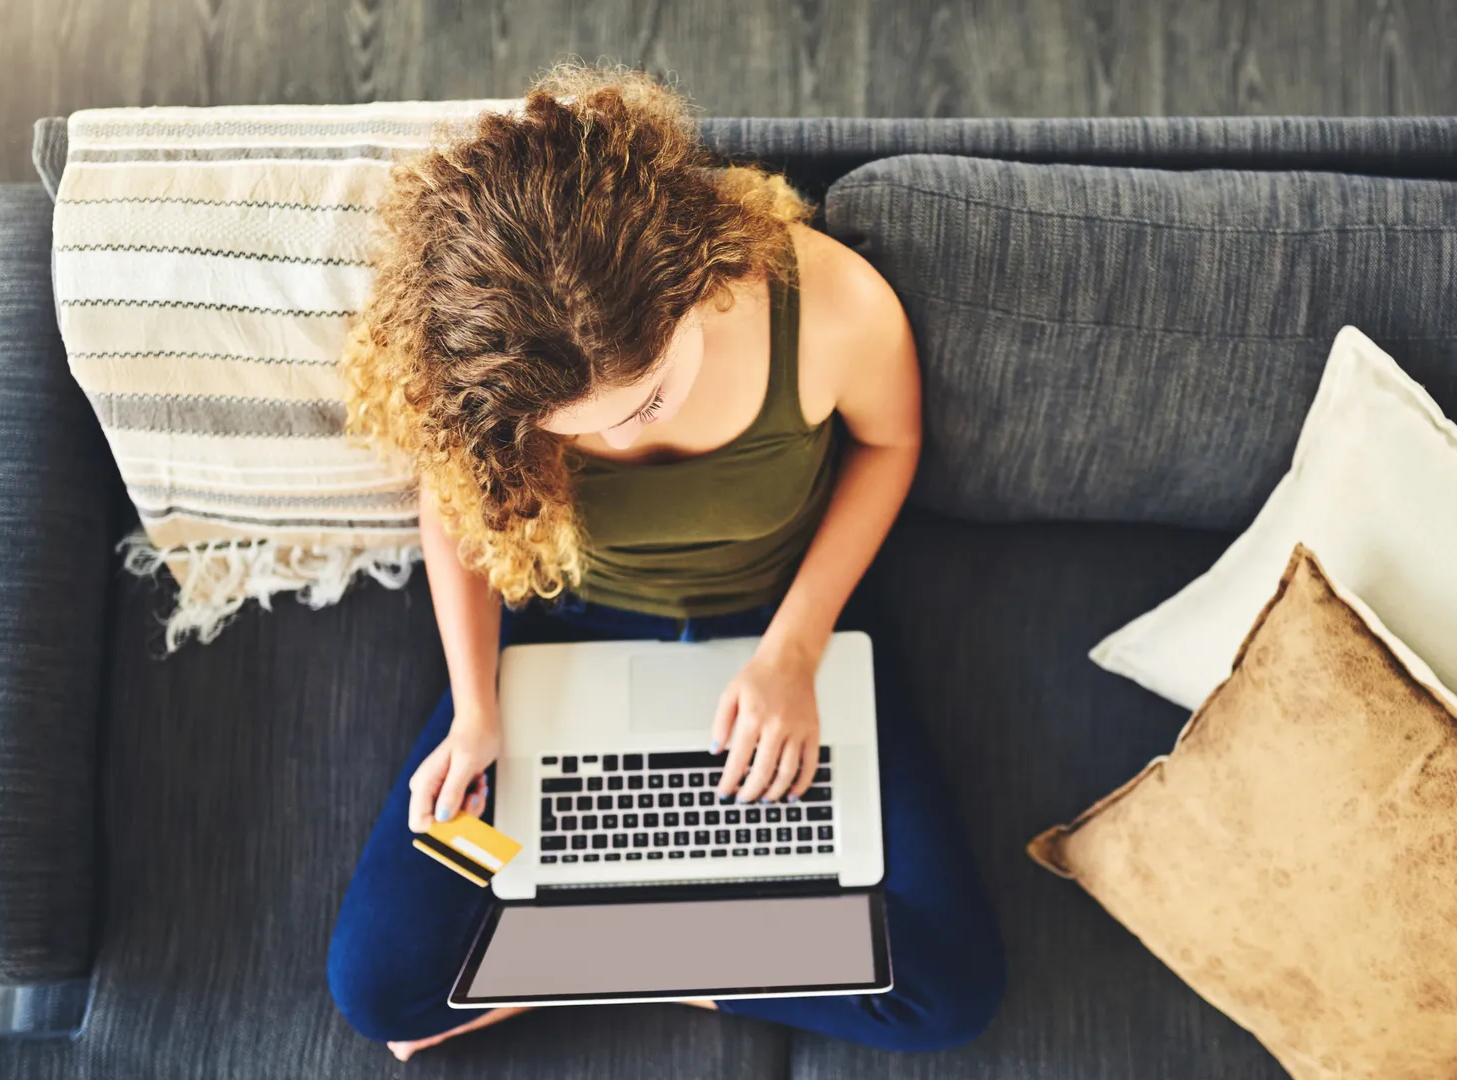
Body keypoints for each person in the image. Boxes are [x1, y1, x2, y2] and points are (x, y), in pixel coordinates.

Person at [326, 64, 1004, 1063]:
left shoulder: (827, 305)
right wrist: (478, 710)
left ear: (692, 278)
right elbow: (458, 515)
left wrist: (793, 651)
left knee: (949, 990)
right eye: (580, 435)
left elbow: (890, 447)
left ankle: (588, 967)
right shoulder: (486, 382)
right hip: (565, 627)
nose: (630, 439)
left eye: (646, 399)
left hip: (782, 624)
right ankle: (679, 965)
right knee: (380, 986)